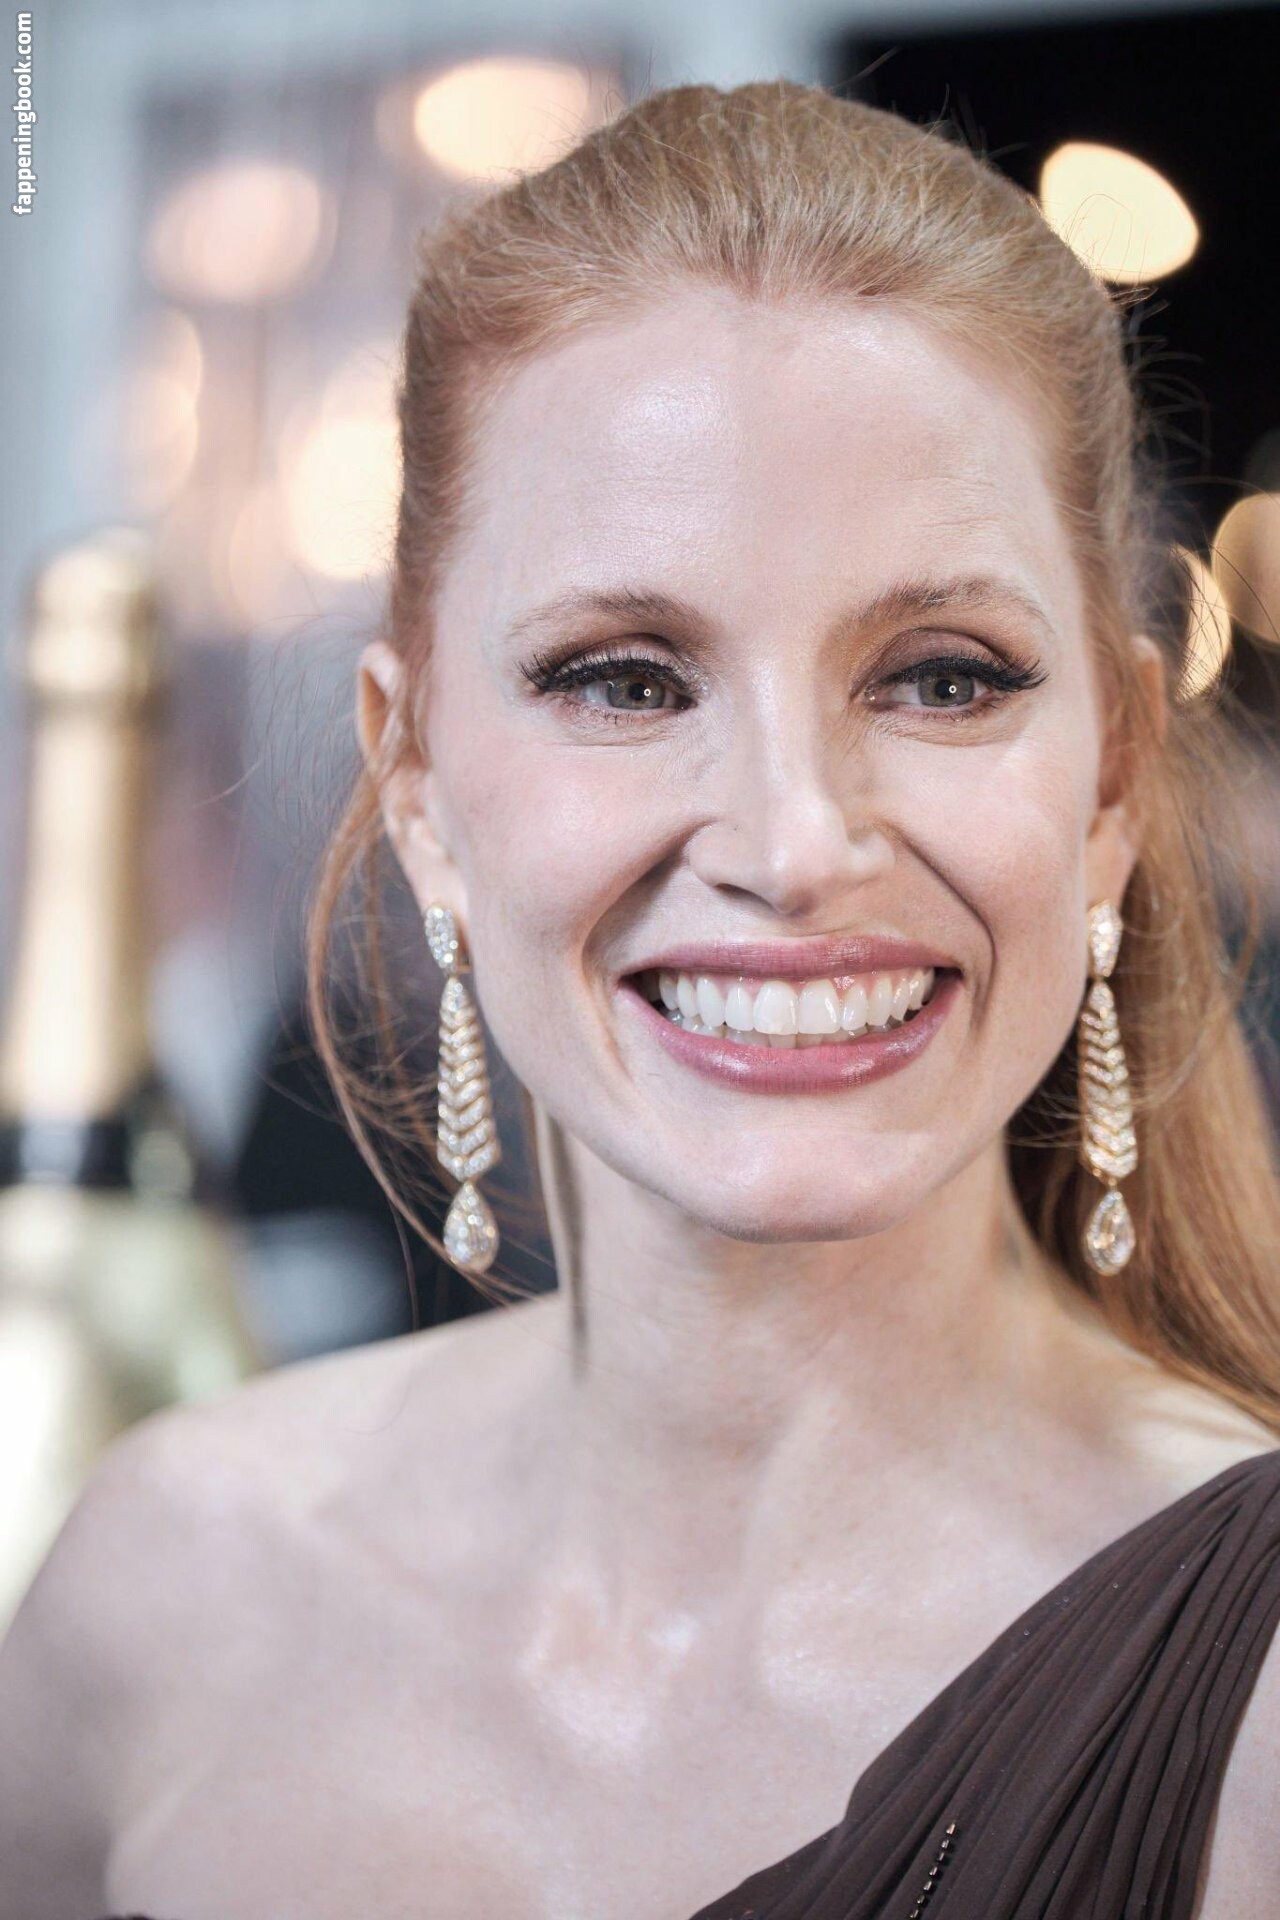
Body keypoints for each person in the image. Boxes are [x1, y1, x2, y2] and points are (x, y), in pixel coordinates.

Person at [3, 78, 1280, 1920]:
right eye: (624, 678)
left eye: (940, 678)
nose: (795, 842)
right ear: (417, 784)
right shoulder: (163, 1592)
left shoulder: (1255, 1707)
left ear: (1113, 786)